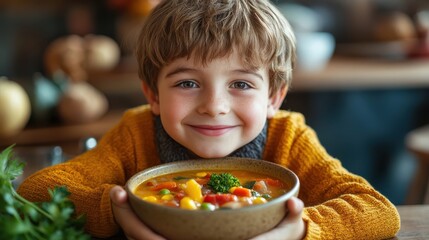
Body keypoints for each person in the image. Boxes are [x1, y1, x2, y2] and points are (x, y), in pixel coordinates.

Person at [18, 0, 400, 239]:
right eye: (187, 82)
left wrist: (297, 231)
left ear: (274, 97)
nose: (214, 106)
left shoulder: (288, 136)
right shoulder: (134, 133)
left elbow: (377, 210)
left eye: (240, 83)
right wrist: (119, 212)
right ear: (152, 94)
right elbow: (37, 191)